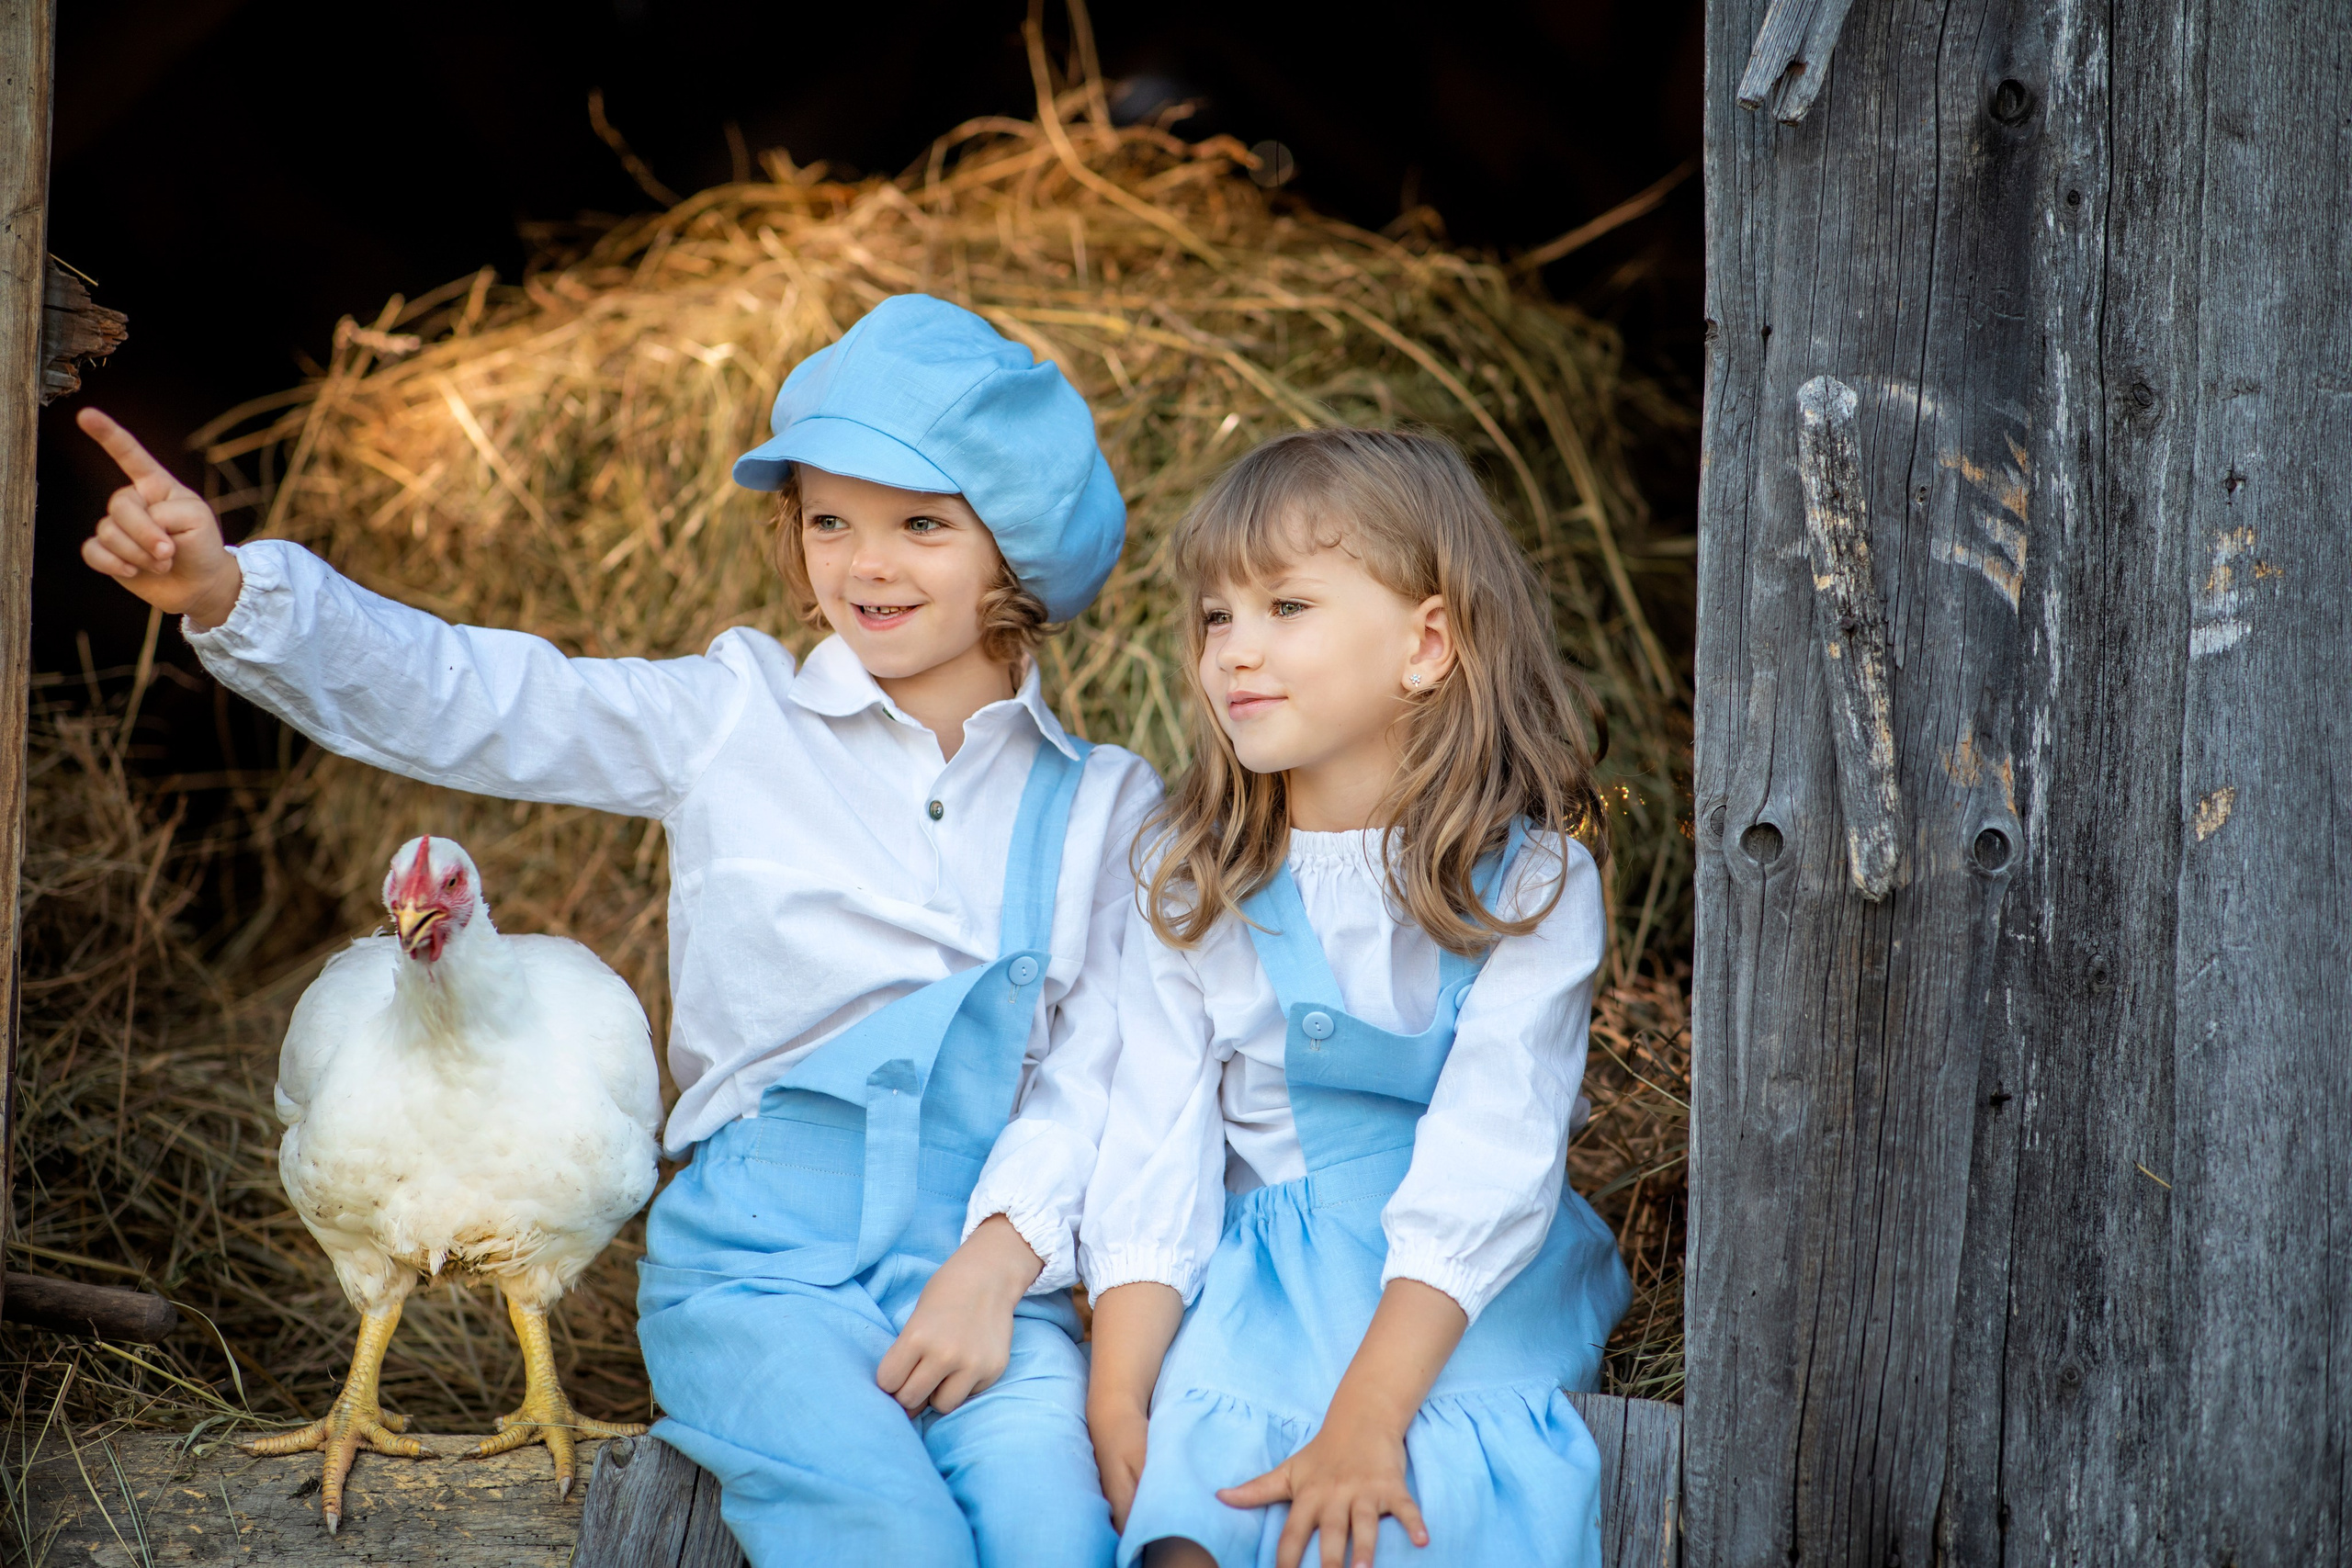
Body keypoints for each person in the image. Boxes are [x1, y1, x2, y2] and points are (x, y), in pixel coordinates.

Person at [75, 294, 1155, 1568]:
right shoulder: (730, 716)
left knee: (1056, 1522)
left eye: (922, 523)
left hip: (991, 1261)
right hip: (761, 1268)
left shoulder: (1105, 803)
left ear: (1017, 549)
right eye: (828, 521)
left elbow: (1116, 1059)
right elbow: (476, 695)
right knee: (874, 1526)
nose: (866, 564)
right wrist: (232, 589)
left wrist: (1002, 1255)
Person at [1080, 428, 1632, 1568]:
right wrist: (1120, 1386)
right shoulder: (1191, 880)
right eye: (1215, 617)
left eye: (1286, 607)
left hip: (1464, 1281)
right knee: (1197, 1526)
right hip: (1266, 1276)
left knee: (1410, 1521)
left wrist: (1368, 1414)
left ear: (1426, 643)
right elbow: (1154, 1143)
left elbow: (1496, 1148)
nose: (1233, 649)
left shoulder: (1531, 884)